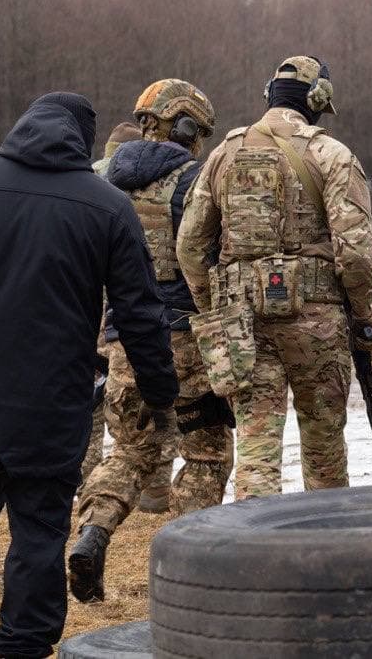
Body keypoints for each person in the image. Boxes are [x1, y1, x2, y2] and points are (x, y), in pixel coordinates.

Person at [0, 93, 175, 659]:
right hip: (48, 403)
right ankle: (25, 648)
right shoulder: (106, 206)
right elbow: (139, 313)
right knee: (37, 531)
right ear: (84, 139)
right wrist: (160, 395)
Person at [177, 56, 372, 500]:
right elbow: (357, 252)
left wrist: (212, 309)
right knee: (324, 446)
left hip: (243, 323)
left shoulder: (222, 154)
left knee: (256, 448)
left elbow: (190, 247)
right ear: (318, 101)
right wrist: (362, 314)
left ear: (269, 94)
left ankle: (256, 552)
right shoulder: (332, 154)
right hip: (318, 322)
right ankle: (325, 546)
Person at [70, 80, 235, 604]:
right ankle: (189, 572)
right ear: (186, 128)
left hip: (122, 341)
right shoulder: (195, 181)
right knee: (207, 455)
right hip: (184, 340)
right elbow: (209, 257)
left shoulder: (103, 183)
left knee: (130, 451)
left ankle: (92, 534)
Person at [81, 122, 144, 496]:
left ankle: (85, 476)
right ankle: (140, 480)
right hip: (120, 311)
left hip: (85, 306)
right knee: (127, 401)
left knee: (87, 402)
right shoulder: (146, 185)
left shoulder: (86, 180)